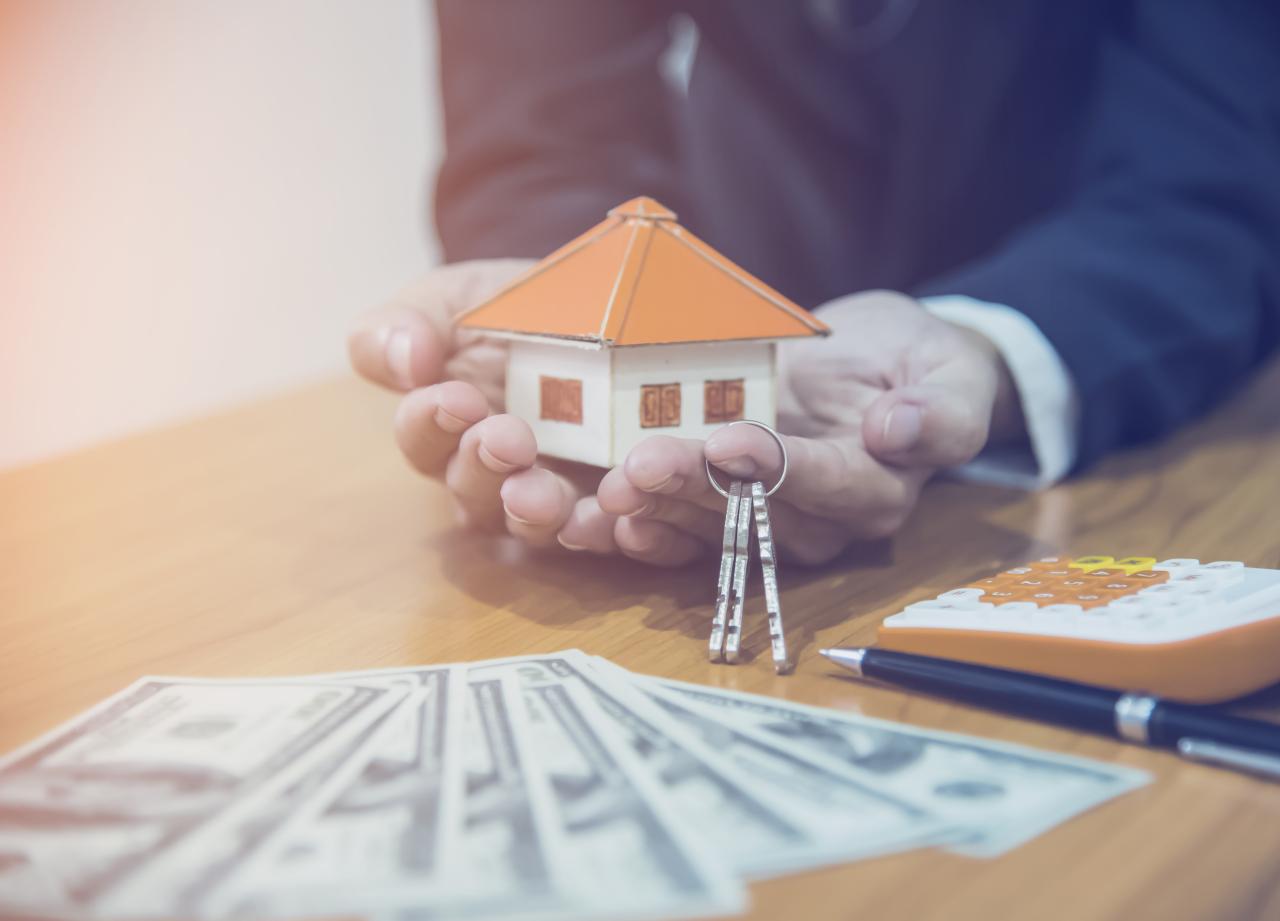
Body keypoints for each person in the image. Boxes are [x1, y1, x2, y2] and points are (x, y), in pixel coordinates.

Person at [348, 1, 1280, 567]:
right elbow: (540, 132)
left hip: (1123, 453)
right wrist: (553, 308)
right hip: (735, 327)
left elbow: (1219, 175)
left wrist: (991, 343)